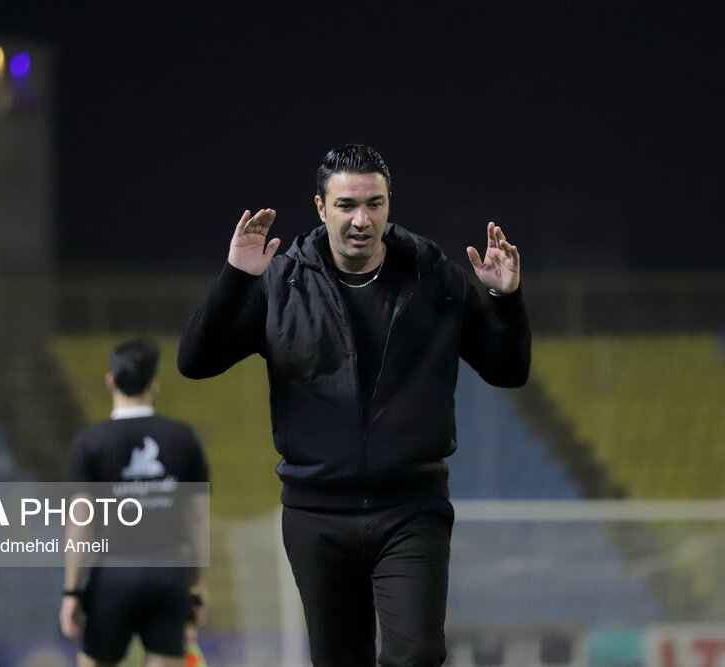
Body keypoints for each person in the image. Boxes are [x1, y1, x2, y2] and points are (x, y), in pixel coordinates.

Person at [177, 144, 530, 666]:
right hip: (315, 513)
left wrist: (505, 300)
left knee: (417, 655)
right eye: (346, 205)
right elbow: (195, 361)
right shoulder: (282, 281)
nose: (361, 219)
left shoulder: (434, 276)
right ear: (321, 208)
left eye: (374, 204)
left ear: (389, 205)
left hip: (411, 510)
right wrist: (235, 276)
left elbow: (508, 370)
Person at [60, 338, 210, 667]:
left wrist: (72, 591)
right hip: (169, 573)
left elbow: (81, 524)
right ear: (154, 383)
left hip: (112, 576)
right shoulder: (183, 439)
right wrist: (197, 586)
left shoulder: (90, 443)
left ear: (110, 381)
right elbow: (197, 521)